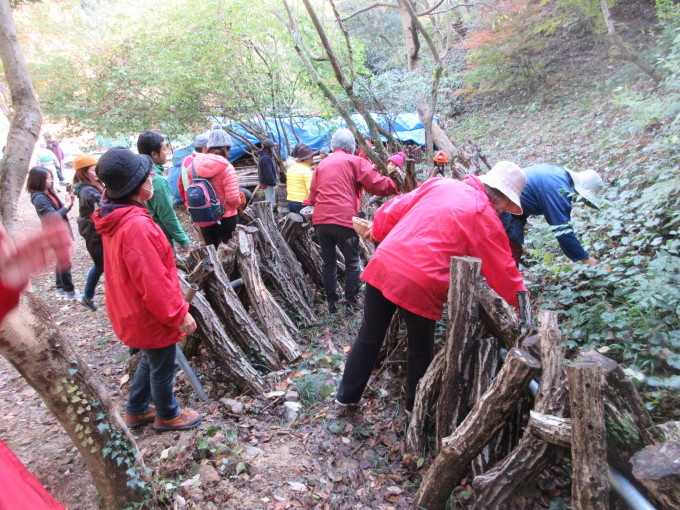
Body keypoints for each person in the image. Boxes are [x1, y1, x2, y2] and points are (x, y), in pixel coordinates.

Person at [336, 161, 528, 412]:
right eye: (506, 205)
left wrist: (381, 232)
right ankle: (415, 408)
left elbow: (391, 211)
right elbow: (501, 267)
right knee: (420, 346)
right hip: (421, 282)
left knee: (369, 335)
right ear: (502, 197)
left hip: (385, 264)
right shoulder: (484, 213)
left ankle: (346, 397)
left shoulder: (441, 184)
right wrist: (519, 302)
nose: (505, 211)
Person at [92, 147, 203, 432]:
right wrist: (179, 312)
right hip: (147, 311)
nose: (153, 178)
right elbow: (153, 281)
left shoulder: (115, 214)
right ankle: (167, 414)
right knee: (164, 365)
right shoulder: (136, 226)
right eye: (148, 175)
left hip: (130, 306)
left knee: (151, 359)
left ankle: (137, 409)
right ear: (138, 186)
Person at [309, 128, 399, 314]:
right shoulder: (355, 161)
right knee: (352, 261)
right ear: (352, 146)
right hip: (343, 219)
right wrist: (397, 184)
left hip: (320, 220)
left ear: (334, 146)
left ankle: (332, 303)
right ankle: (351, 301)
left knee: (328, 263)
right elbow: (377, 184)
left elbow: (312, 194)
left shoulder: (322, 164)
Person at [500, 164, 604, 266]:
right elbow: (562, 229)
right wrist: (585, 258)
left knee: (512, 248)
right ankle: (508, 281)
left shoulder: (558, 176)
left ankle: (512, 279)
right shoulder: (559, 189)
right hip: (503, 203)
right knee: (510, 251)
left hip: (512, 207)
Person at [27, 166, 81, 301]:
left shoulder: (48, 193)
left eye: (51, 178)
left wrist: (70, 202)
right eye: (48, 178)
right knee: (65, 262)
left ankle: (61, 289)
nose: (51, 181)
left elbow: (62, 211)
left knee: (61, 260)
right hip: (54, 234)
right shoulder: (39, 198)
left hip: (60, 230)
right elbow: (54, 217)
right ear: (38, 180)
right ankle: (70, 292)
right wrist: (67, 205)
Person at [137, 130, 191, 252]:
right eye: (164, 149)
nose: (166, 153)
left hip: (147, 237)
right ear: (155, 154)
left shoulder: (138, 174)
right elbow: (167, 215)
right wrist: (183, 240)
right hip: (160, 239)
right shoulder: (156, 180)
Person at [188, 149, 241, 247]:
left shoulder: (192, 167)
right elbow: (233, 199)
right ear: (225, 148)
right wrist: (240, 203)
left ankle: (215, 262)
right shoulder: (227, 167)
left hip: (204, 215)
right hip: (226, 216)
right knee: (231, 249)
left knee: (212, 248)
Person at [72, 153, 103, 311]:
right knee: (101, 264)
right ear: (82, 173)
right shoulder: (89, 192)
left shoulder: (89, 188)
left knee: (101, 265)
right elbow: (103, 208)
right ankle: (87, 296)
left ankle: (88, 295)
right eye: (92, 170)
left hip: (93, 231)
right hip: (95, 234)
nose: (96, 172)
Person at [178, 132, 209, 206]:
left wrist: (185, 201)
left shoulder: (186, 160)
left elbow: (181, 183)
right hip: (207, 203)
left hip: (191, 201)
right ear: (204, 149)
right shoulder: (206, 160)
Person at [286, 143, 317, 213]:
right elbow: (310, 189)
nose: (312, 159)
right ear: (306, 159)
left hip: (290, 200)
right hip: (302, 202)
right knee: (305, 222)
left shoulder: (291, 168)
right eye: (311, 157)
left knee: (294, 223)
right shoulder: (306, 171)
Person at [257, 138, 278, 208]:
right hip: (268, 184)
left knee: (270, 202)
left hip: (267, 183)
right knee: (271, 203)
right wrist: (273, 183)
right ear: (269, 148)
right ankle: (270, 218)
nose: (273, 148)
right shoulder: (265, 158)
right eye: (272, 147)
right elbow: (268, 172)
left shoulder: (263, 156)